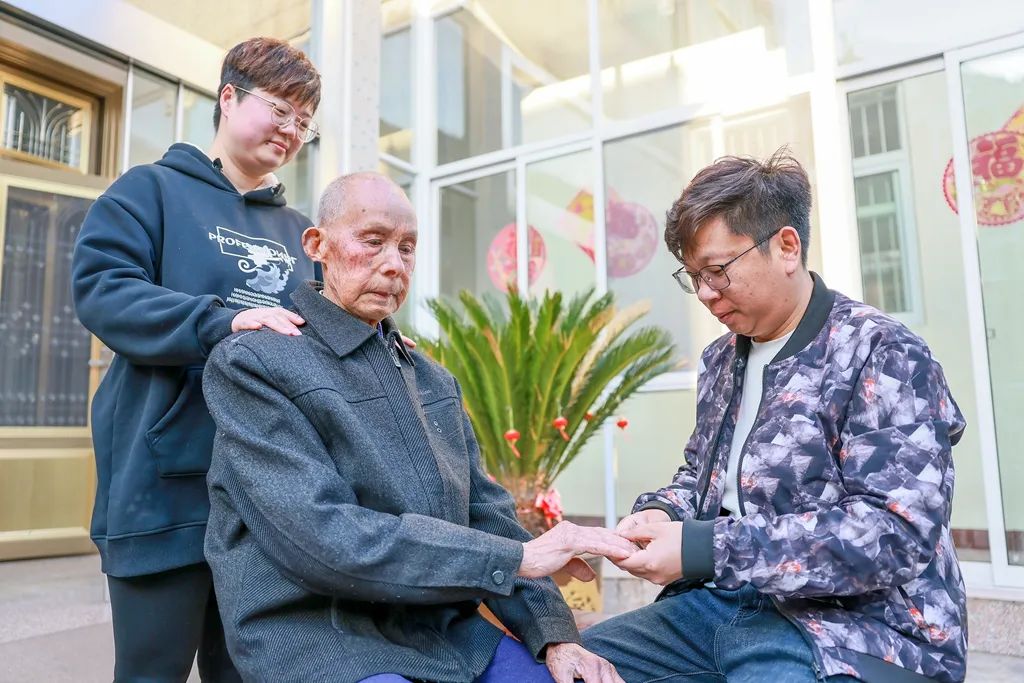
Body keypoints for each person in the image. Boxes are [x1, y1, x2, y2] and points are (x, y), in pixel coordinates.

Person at [202, 172, 631, 683]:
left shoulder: (431, 378)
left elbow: (488, 516)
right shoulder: (254, 363)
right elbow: (324, 541)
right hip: (324, 639)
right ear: (317, 246)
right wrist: (517, 557)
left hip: (447, 634)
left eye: (407, 248)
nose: (393, 264)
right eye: (373, 241)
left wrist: (556, 635)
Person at [582, 150, 968, 683]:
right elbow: (701, 477)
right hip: (726, 601)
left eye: (718, 271)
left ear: (787, 246)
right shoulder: (722, 360)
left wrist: (705, 548)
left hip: (858, 628)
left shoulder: (882, 351)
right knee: (569, 664)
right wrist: (662, 515)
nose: (705, 294)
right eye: (693, 277)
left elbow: (894, 534)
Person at [71, 37, 321, 682]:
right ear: (228, 98)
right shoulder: (148, 191)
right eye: (280, 109)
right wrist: (221, 320)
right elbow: (104, 290)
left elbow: (324, 330)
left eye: (304, 121)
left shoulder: (299, 232)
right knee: (151, 671)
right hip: (164, 489)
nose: (291, 130)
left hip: (268, 501)